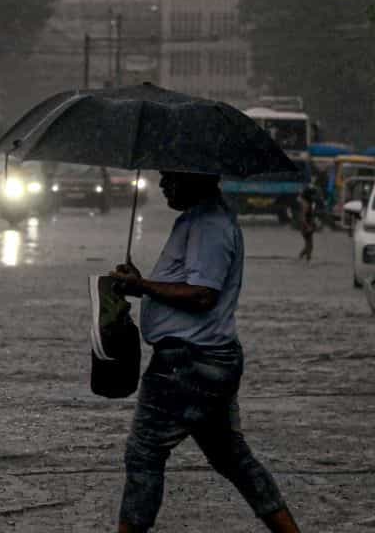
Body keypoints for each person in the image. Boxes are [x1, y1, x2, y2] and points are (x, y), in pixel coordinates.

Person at [108, 171, 301, 533]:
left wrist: (144, 285)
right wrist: (141, 283)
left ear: (195, 178)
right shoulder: (198, 220)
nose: (163, 184)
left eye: (171, 178)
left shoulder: (210, 225)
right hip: (204, 360)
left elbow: (202, 295)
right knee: (234, 459)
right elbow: (189, 284)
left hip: (188, 363)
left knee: (144, 453)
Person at [297, 185, 318, 262]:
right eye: (313, 194)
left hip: (307, 225)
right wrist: (308, 226)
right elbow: (303, 218)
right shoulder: (306, 204)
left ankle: (303, 258)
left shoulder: (307, 203)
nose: (314, 196)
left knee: (309, 245)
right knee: (309, 245)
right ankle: (306, 260)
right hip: (306, 226)